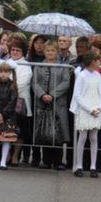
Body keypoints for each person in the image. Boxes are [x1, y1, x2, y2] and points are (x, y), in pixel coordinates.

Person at [32, 40, 71, 170]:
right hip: (42, 103)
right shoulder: (38, 65)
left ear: (57, 52)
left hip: (58, 103)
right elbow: (34, 83)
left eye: (53, 50)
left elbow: (66, 82)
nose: (50, 53)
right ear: (44, 52)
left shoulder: (63, 66)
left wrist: (53, 94)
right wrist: (42, 95)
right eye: (48, 50)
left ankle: (58, 160)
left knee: (58, 131)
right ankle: (46, 160)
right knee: (45, 131)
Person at [70, 51, 101, 178]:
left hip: (96, 109)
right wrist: (90, 109)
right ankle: (79, 165)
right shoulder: (82, 75)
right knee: (82, 137)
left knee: (94, 137)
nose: (100, 63)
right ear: (92, 62)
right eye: (98, 61)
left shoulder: (98, 76)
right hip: (85, 110)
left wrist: (99, 108)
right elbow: (77, 95)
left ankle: (93, 166)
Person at [8, 36, 32, 165]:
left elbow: (21, 83)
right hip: (6, 103)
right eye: (12, 49)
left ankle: (15, 155)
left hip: (20, 103)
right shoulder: (5, 62)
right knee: (7, 130)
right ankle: (7, 154)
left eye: (17, 50)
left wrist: (7, 85)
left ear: (22, 52)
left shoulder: (26, 65)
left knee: (20, 131)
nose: (15, 52)